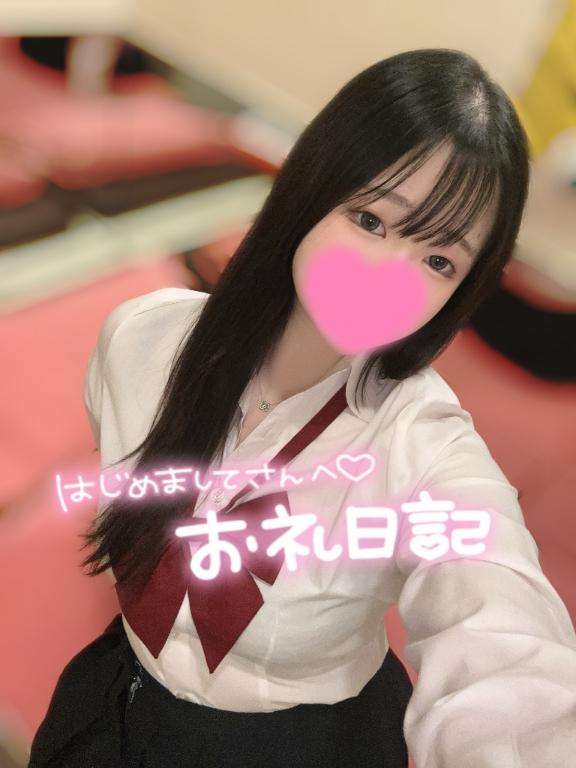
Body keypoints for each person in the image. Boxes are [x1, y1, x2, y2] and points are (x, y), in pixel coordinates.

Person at [29, 48, 576, 767]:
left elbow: (504, 640)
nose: (387, 277)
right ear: (312, 189)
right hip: (116, 702)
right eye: (372, 220)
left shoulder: (424, 447)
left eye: (439, 261)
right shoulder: (140, 339)